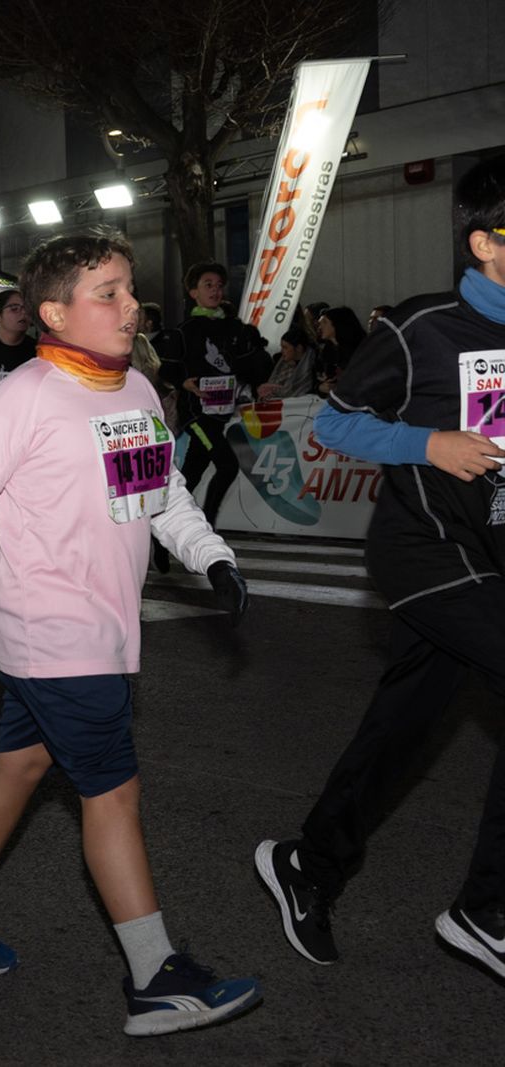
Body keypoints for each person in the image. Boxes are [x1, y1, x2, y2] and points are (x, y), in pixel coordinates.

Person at [0, 227, 259, 1037]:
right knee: (113, 792)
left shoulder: (134, 388)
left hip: (102, 627)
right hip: (52, 629)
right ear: (55, 313)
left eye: (130, 289)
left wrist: (212, 556)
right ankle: (155, 974)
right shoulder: (23, 395)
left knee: (24, 759)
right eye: (108, 293)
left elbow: (160, 491)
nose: (131, 305)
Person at [254, 157, 505, 982]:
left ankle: (309, 861)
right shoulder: (421, 325)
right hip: (425, 548)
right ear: (484, 243)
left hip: (493, 555)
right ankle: (486, 910)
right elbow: (336, 423)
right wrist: (428, 443)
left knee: (405, 726)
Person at [157, 261, 270, 527]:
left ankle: (164, 524)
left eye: (219, 286)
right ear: (193, 292)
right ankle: (206, 525)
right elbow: (166, 370)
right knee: (227, 465)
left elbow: (248, 365)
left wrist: (259, 385)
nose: (215, 290)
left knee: (193, 472)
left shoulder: (235, 328)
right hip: (196, 414)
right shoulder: (184, 331)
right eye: (208, 285)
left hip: (221, 414)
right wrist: (184, 383)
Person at [256, 327, 318, 401]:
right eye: (281, 347)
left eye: (285, 347)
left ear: (299, 348)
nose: (281, 351)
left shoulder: (311, 368)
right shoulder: (283, 364)